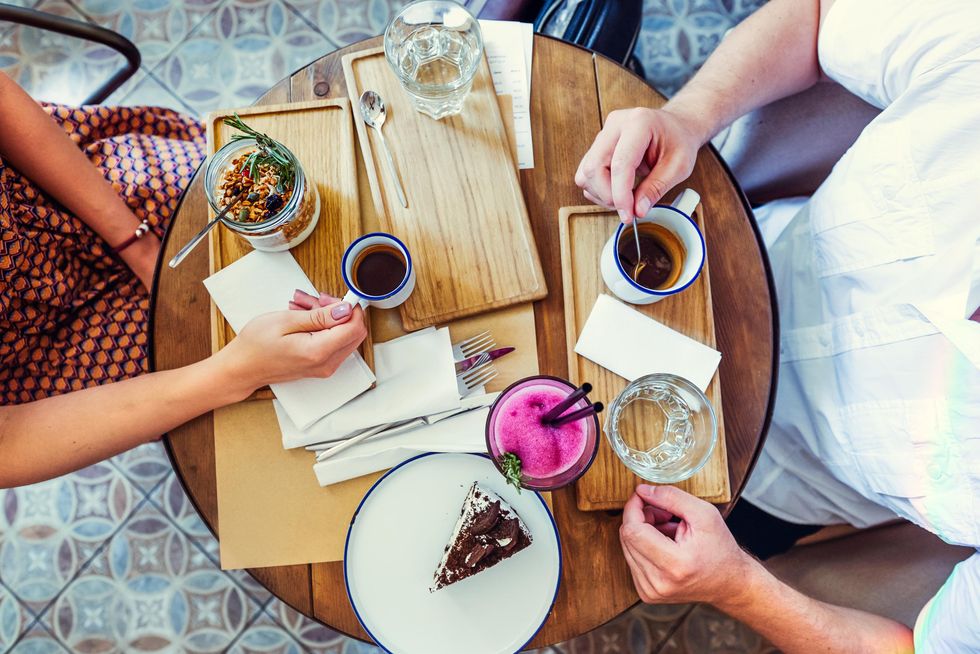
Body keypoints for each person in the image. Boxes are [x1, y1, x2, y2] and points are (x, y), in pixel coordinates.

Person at [576, 0, 979, 651]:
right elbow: (817, 17)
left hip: (747, 482)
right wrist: (685, 115)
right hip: (720, 257)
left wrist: (734, 582)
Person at [0, 71, 367, 487]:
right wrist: (237, 372)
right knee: (237, 418)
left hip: (55, 186)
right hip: (29, 355)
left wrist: (138, 246)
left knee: (208, 188)